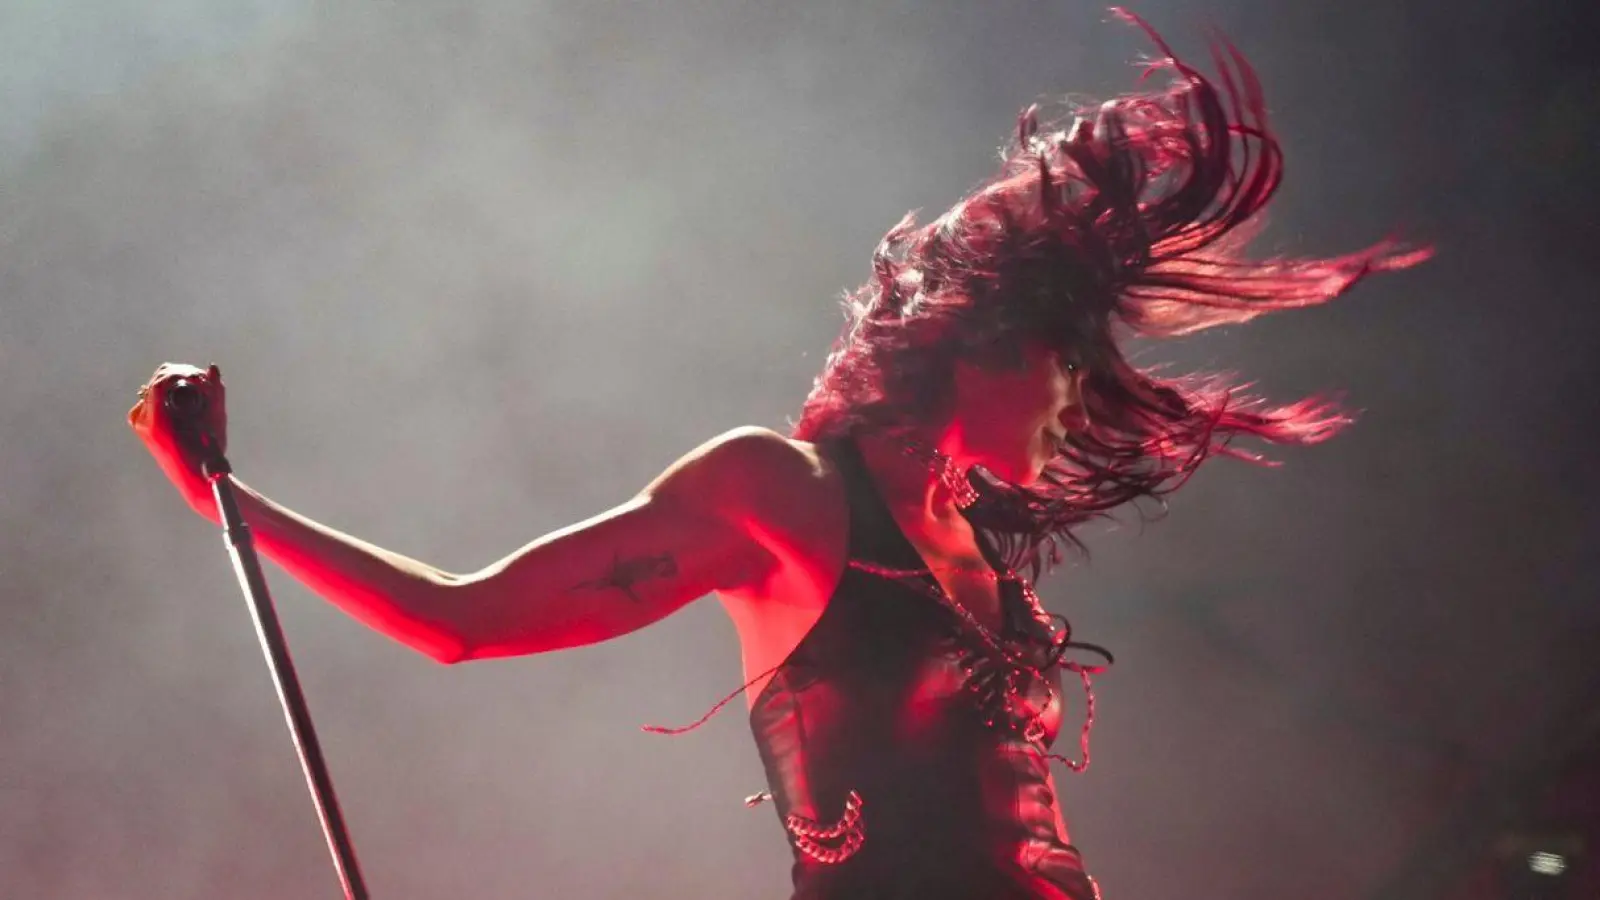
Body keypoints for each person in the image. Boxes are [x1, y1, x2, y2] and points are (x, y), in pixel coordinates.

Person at [128, 12, 1426, 900]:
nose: (1077, 396)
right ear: (973, 345)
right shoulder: (783, 498)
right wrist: (226, 502)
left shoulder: (979, 550)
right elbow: (463, 623)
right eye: (1063, 359)